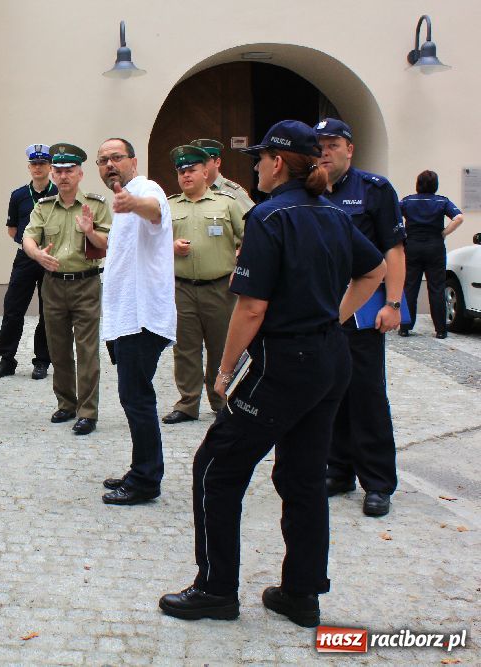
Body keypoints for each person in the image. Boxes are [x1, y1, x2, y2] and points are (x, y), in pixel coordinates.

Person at [159, 120, 386, 629]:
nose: (255, 165)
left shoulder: (270, 216)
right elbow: (373, 271)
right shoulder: (330, 212)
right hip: (330, 360)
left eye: (260, 158)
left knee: (215, 468)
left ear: (278, 162)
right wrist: (336, 317)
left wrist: (224, 370)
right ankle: (302, 593)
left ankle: (215, 589)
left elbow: (252, 307)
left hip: (285, 364)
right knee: (302, 475)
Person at [316, 118, 406, 518]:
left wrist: (394, 303)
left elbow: (393, 251)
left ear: (349, 149)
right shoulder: (311, 189)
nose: (325, 151)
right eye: (319, 145)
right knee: (330, 392)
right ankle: (338, 469)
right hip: (322, 309)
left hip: (365, 310)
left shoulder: (374, 189)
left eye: (333, 144)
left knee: (367, 395)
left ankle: (378, 481)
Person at [96, 138, 176, 505]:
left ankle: (146, 480)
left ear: (133, 160)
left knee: (137, 398)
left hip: (141, 318)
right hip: (125, 318)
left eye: (116, 158)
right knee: (134, 396)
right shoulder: (122, 203)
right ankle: (140, 468)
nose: (109, 164)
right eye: (103, 160)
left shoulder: (146, 190)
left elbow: (155, 211)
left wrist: (133, 203)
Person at [22, 142, 111, 436]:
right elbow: (28, 238)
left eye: (69, 171)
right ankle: (66, 403)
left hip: (86, 283)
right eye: (58, 171)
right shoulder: (44, 207)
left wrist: (90, 231)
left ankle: (88, 412)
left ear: (80, 174)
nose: (63, 176)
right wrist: (37, 255)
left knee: (87, 351)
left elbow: (108, 244)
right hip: (54, 286)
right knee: (58, 350)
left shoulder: (96, 205)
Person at [163, 145, 245, 425]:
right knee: (185, 347)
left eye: (191, 170)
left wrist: (240, 265)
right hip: (182, 287)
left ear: (205, 171)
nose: (186, 175)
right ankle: (188, 403)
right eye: (181, 171)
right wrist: (170, 246)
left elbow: (248, 238)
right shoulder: (169, 206)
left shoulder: (226, 203)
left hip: (219, 287)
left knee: (220, 346)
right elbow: (152, 244)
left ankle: (221, 398)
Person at [0, 144, 57, 380]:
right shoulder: (18, 195)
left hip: (50, 257)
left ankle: (42, 361)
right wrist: (30, 246)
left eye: (42, 164)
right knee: (13, 308)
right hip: (26, 258)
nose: (38, 168)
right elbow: (12, 229)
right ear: (29, 167)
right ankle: (7, 359)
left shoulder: (58, 193)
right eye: (34, 164)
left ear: (49, 167)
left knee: (48, 310)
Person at [399, 170, 464, 338]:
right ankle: (441, 330)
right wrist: (444, 232)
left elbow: (394, 217)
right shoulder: (442, 201)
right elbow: (458, 218)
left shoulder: (407, 201)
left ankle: (405, 327)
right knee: (436, 287)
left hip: (412, 245)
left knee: (410, 286)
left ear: (418, 184)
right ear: (436, 185)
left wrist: (402, 236)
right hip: (435, 246)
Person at [190, 138, 255, 212]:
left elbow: (254, 220)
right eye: (196, 161)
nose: (199, 165)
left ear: (217, 162)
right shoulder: (192, 190)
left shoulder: (233, 192)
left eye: (203, 161)